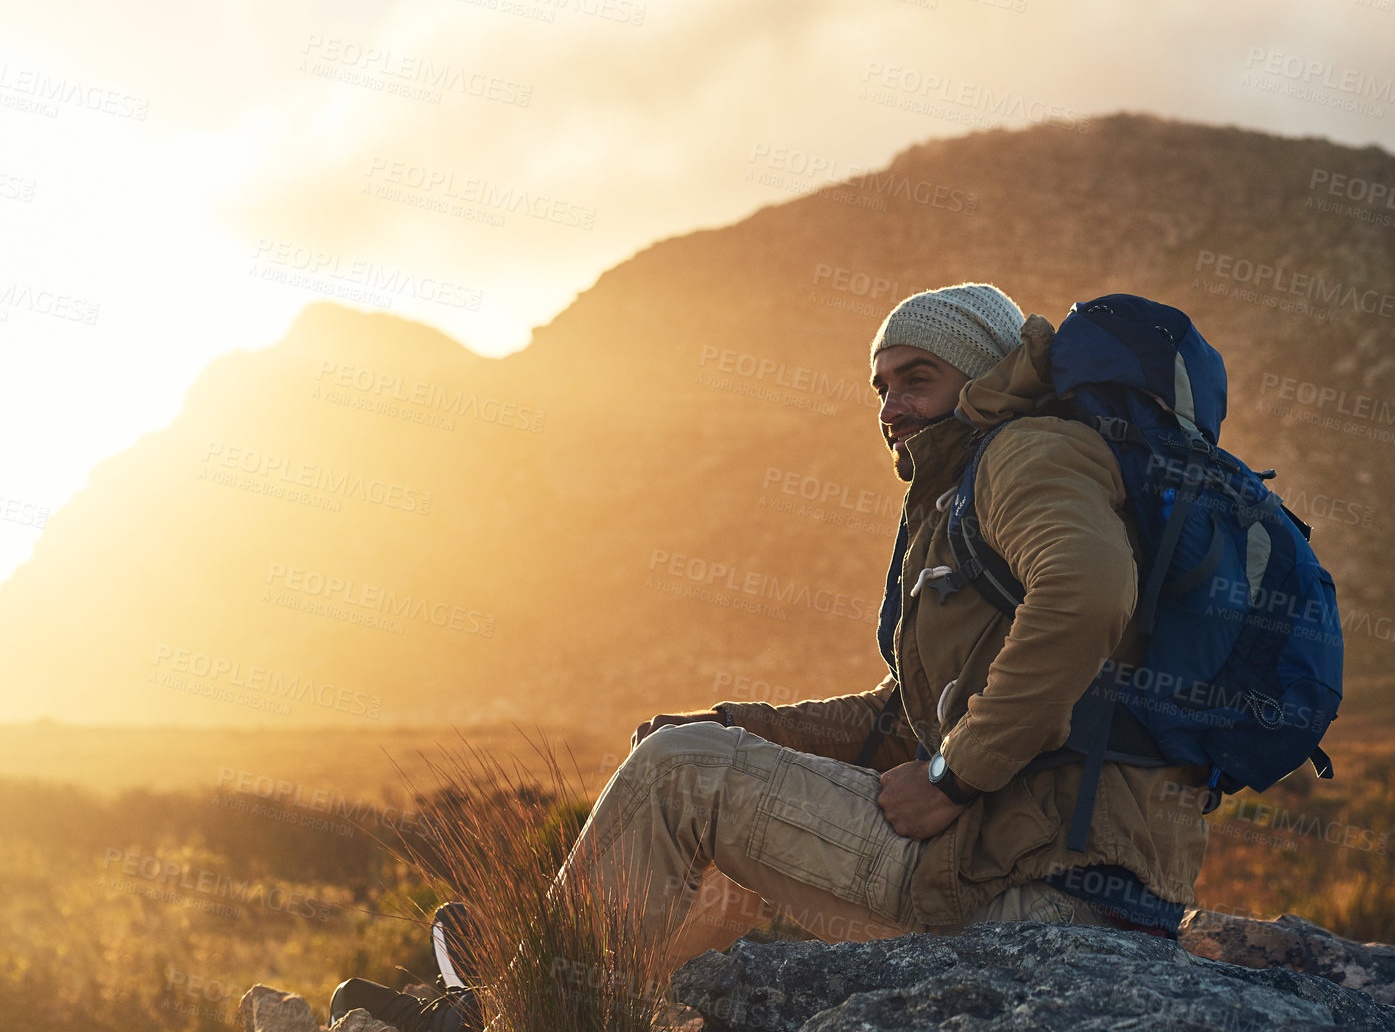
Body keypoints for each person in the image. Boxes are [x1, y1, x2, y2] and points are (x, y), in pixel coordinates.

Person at [332, 282, 1211, 1029]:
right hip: (1034, 876)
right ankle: (541, 983)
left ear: (980, 375)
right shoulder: (968, 488)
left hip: (1039, 891)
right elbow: (896, 716)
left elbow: (1088, 595)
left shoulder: (1027, 454)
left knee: (683, 776)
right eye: (880, 386)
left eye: (917, 378)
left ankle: (518, 1010)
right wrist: (734, 727)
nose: (891, 406)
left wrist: (956, 777)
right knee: (704, 805)